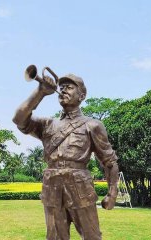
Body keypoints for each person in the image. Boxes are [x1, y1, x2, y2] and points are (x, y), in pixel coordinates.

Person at [12, 72, 119, 240]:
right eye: (61, 88)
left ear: (82, 96)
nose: (63, 91)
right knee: (54, 237)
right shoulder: (47, 125)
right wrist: (40, 92)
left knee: (92, 236)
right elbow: (19, 119)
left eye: (69, 87)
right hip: (52, 187)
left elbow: (109, 161)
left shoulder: (93, 125)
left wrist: (112, 193)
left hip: (80, 187)